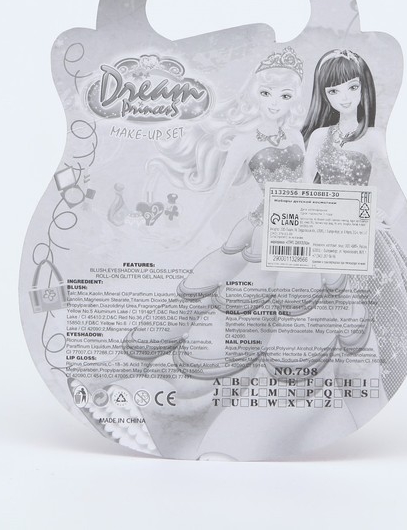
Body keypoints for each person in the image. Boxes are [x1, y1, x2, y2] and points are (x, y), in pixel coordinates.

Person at [123, 47, 307, 375]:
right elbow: (218, 195)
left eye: (285, 95)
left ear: (294, 99)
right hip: (264, 225)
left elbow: (307, 187)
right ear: (255, 93)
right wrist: (188, 235)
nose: (274, 103)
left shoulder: (296, 135)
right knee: (226, 288)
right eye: (266, 93)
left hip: (300, 224)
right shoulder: (245, 141)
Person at [301, 49, 407, 399]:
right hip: (326, 234)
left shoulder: (372, 137)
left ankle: (375, 386)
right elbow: (304, 186)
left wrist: (387, 215)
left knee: (375, 310)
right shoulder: (319, 136)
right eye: (334, 90)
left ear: (363, 89)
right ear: (324, 94)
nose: (344, 97)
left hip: (366, 237)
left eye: (351, 87)